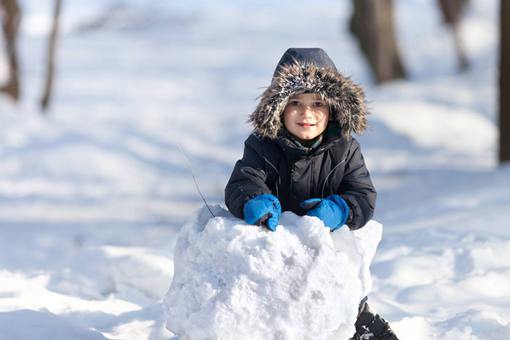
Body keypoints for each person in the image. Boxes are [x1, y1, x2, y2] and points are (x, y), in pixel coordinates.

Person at [224, 48, 398, 340]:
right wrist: (254, 199)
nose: (307, 113)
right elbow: (244, 180)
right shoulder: (262, 145)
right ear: (278, 108)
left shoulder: (345, 148)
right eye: (295, 103)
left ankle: (358, 325)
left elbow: (363, 193)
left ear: (333, 108)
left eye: (318, 103)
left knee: (341, 295)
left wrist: (341, 209)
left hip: (328, 251)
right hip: (276, 250)